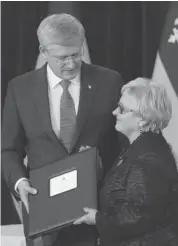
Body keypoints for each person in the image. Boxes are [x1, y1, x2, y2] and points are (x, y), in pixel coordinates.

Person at [2, 14, 124, 246]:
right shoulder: (20, 89)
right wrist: (19, 182)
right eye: (61, 58)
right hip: (43, 215)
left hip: (96, 213)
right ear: (43, 51)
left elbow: (124, 145)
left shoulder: (109, 82)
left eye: (76, 55)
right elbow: (8, 150)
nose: (70, 64)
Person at [74, 78, 178, 246]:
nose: (115, 112)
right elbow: (123, 192)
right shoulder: (140, 148)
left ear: (143, 119)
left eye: (122, 109)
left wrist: (97, 219)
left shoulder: (148, 158)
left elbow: (140, 215)